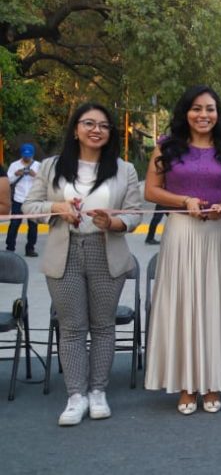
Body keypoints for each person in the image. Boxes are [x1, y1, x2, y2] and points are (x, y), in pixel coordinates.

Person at [23, 103, 143, 426]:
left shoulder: (124, 169)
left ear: (110, 133)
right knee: (72, 327)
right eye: (88, 123)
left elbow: (134, 213)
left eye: (103, 126)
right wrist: (57, 207)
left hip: (107, 252)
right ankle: (76, 395)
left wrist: (113, 223)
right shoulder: (50, 167)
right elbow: (30, 206)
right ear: (75, 128)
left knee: (103, 326)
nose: (96, 130)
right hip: (65, 253)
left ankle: (98, 392)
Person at [143, 86, 221, 414]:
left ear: (219, 113)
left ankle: (214, 381)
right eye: (197, 109)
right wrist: (184, 201)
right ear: (185, 112)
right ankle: (186, 385)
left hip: (218, 233)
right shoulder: (166, 146)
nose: (204, 115)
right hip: (181, 232)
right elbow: (151, 190)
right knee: (183, 306)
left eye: (210, 109)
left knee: (216, 305)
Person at [6, 143, 41, 257]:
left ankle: (30, 249)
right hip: (18, 199)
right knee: (14, 224)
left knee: (33, 226)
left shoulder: (38, 166)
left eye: (29, 156)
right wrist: (16, 174)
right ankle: (10, 248)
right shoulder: (14, 165)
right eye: (25, 155)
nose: (27, 158)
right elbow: (8, 182)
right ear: (21, 154)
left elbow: (43, 182)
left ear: (33, 154)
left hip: (33, 200)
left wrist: (34, 175)